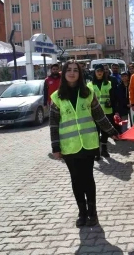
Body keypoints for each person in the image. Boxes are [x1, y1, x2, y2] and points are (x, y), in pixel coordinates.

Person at [50, 60, 120, 227]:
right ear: (64, 73)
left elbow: (99, 115)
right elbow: (53, 124)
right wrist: (56, 147)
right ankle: (82, 212)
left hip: (88, 144)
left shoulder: (88, 92)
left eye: (76, 70)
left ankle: (92, 212)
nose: (72, 73)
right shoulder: (57, 96)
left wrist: (113, 132)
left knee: (88, 178)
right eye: (69, 70)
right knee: (76, 179)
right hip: (69, 146)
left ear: (80, 74)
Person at [87, 64, 117, 160]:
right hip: (94, 113)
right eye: (97, 71)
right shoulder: (89, 85)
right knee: (95, 132)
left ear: (103, 72)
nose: (99, 73)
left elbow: (113, 98)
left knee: (105, 132)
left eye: (101, 71)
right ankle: (96, 152)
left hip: (107, 112)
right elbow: (87, 100)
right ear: (94, 72)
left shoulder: (109, 83)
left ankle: (104, 149)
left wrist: (114, 109)